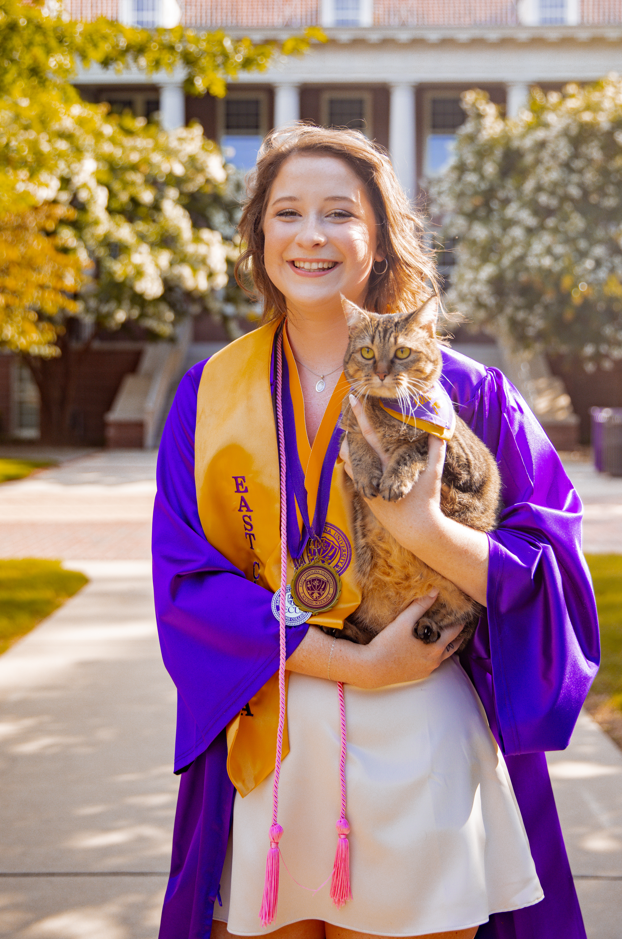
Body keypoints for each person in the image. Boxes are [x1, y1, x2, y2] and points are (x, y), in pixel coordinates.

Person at [152, 124, 600, 939]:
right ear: (260, 236)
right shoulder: (209, 394)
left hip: (418, 737)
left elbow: (549, 571)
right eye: (287, 212)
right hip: (271, 748)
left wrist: (422, 527)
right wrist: (357, 662)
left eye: (339, 213)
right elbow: (190, 583)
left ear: (381, 236)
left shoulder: (466, 390)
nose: (311, 235)